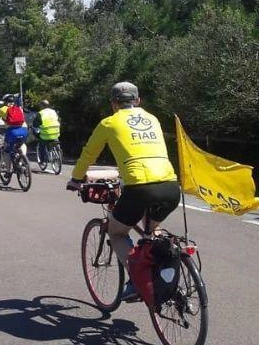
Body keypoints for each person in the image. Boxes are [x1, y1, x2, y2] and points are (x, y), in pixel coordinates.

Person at [66, 81, 181, 301]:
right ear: (138, 101)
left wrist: (76, 178)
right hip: (170, 186)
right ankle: (161, 270)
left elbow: (89, 154)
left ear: (113, 103)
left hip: (140, 188)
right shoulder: (153, 119)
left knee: (117, 232)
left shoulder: (109, 123)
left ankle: (138, 279)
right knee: (152, 230)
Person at [0, 94, 28, 172]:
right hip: (24, 129)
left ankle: (8, 171)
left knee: (6, 150)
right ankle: (23, 159)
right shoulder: (19, 108)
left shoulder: (1, 110)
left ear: (4, 101)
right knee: (22, 144)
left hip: (12, 131)